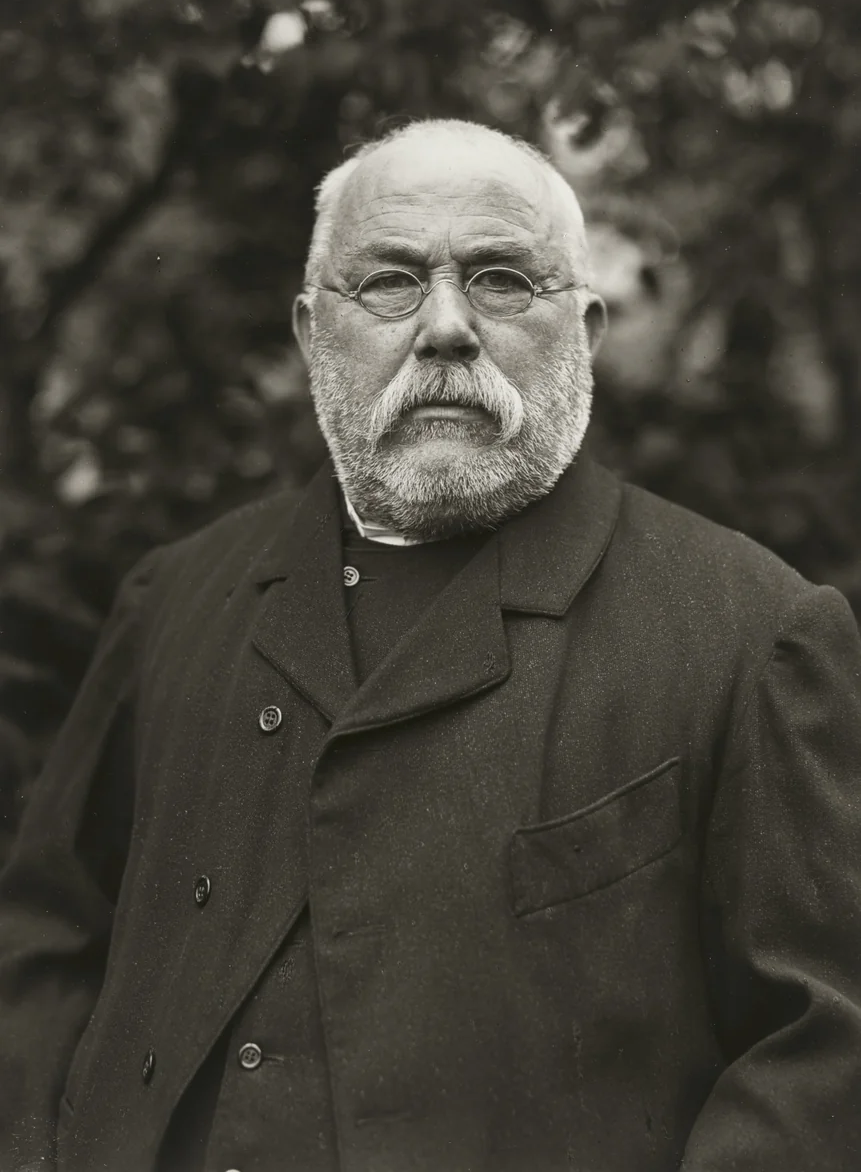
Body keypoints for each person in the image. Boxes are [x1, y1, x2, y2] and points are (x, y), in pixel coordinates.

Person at [1, 118, 860, 1172]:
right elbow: (43, 939)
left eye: (501, 280)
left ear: (584, 330)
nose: (446, 327)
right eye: (391, 283)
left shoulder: (755, 631)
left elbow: (826, 1053)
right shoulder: (175, 596)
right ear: (316, 333)